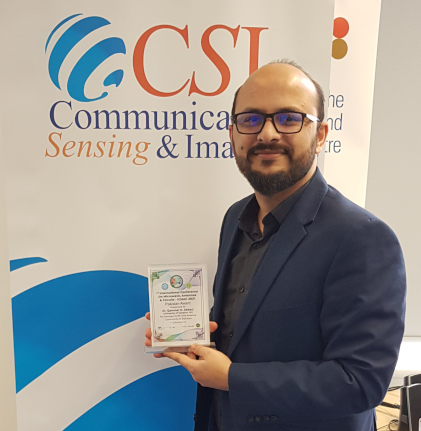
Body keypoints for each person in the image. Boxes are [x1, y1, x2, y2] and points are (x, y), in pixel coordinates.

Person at [145, 59, 406, 431]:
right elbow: (247, 331)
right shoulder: (235, 218)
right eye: (250, 120)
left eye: (289, 118)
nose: (267, 133)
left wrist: (232, 377)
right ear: (233, 134)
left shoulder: (363, 238)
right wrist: (190, 336)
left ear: (320, 135)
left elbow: (360, 382)